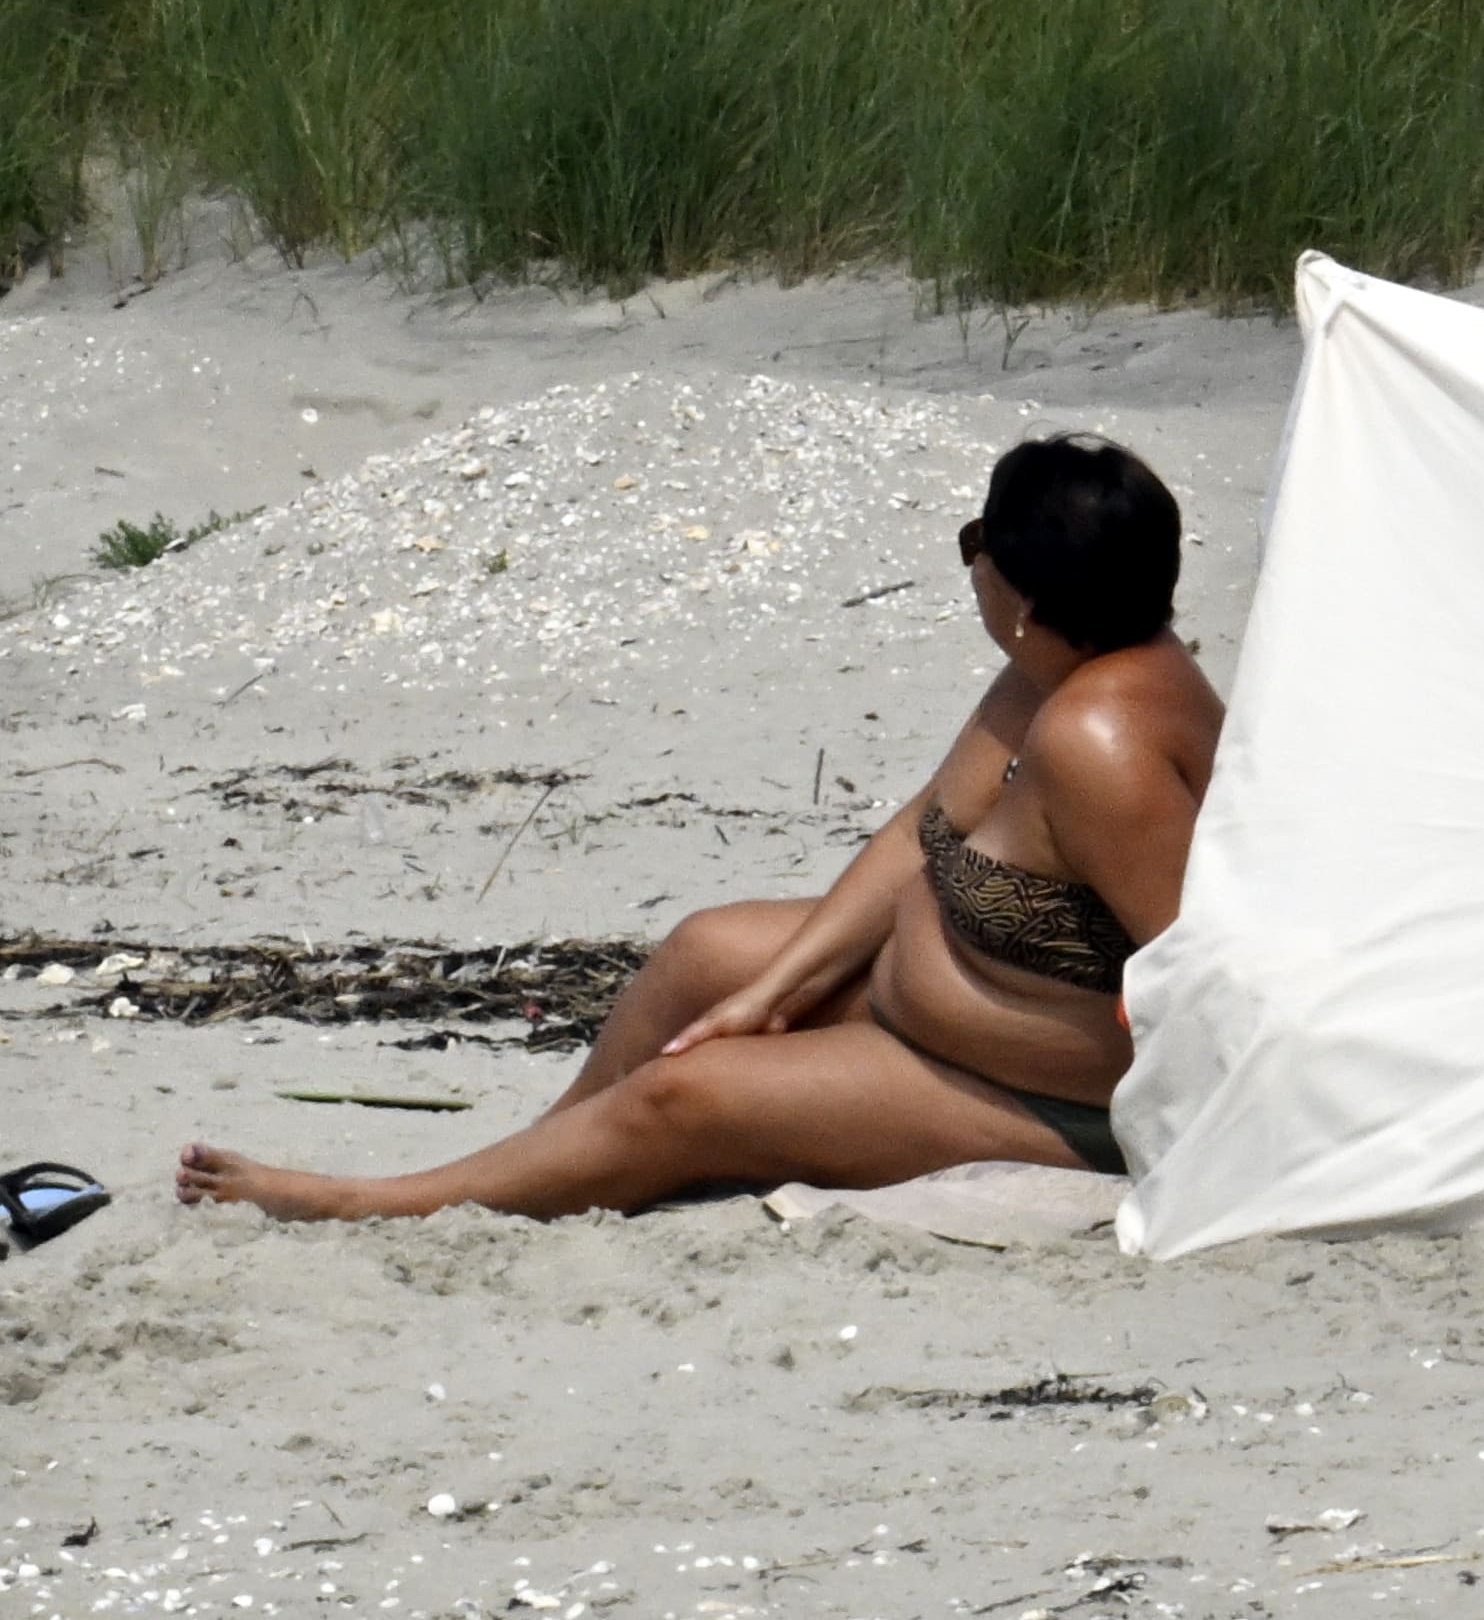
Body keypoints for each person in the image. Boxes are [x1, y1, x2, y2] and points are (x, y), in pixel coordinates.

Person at [179, 435, 1223, 1223]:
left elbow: (1203, 979)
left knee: (690, 1094)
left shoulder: (1100, 743)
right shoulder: (1051, 668)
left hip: (1042, 1105)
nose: (972, 567)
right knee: (706, 953)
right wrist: (773, 992)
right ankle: (536, 1161)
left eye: (976, 546)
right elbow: (922, 830)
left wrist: (1021, 1043)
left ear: (1026, 596)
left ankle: (378, 1203)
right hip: (940, 1010)